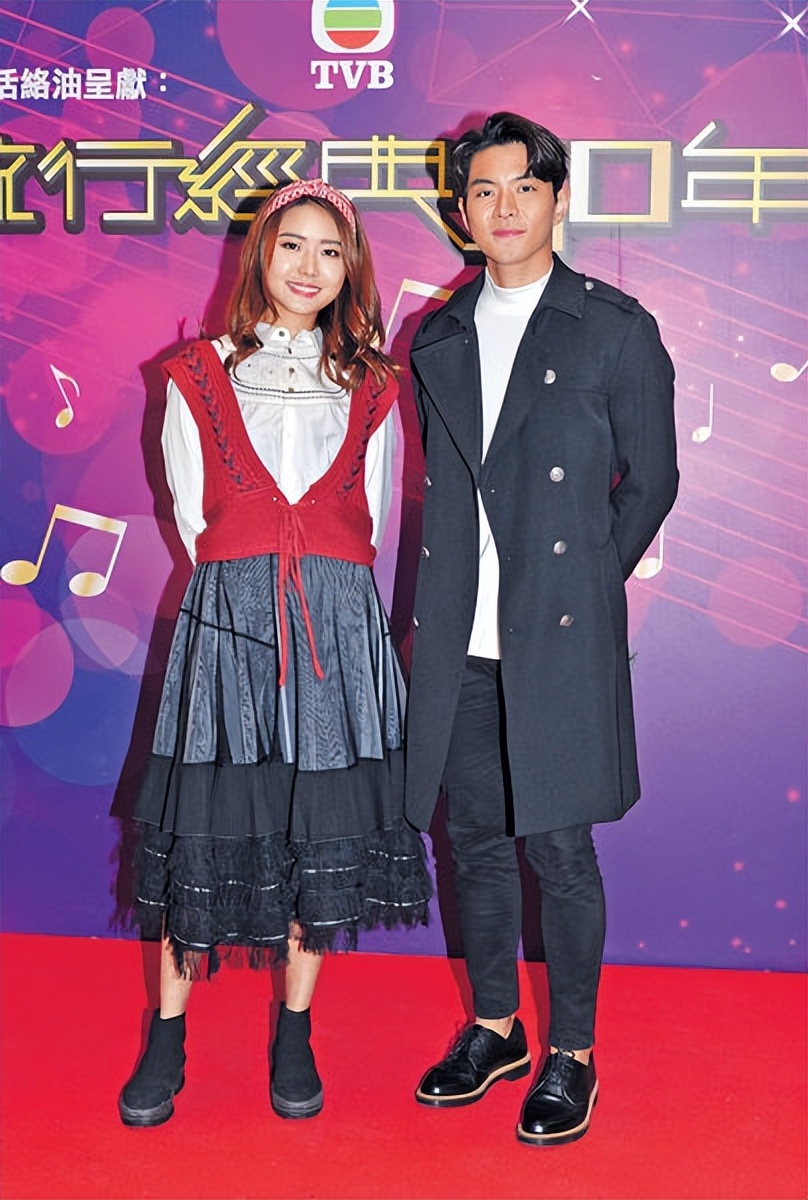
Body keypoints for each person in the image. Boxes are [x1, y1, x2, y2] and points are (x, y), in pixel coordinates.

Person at [119, 179, 431, 1128]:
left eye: (331, 251)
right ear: (260, 253)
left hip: (337, 628)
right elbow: (193, 520)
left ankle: (295, 1029)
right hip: (233, 620)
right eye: (292, 244)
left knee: (317, 831)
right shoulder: (195, 373)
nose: (308, 266)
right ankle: (167, 1034)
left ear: (350, 270)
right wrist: (252, 587)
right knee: (205, 826)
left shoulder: (374, 385)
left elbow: (370, 521)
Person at [405, 112, 678, 1146]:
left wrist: (585, 584)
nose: (504, 206)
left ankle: (573, 1052)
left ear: (559, 199)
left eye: (524, 186)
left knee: (558, 848)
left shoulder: (614, 328)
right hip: (460, 638)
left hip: (557, 632)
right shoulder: (437, 335)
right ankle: (495, 1028)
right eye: (483, 190)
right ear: (462, 211)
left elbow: (651, 480)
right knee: (471, 839)